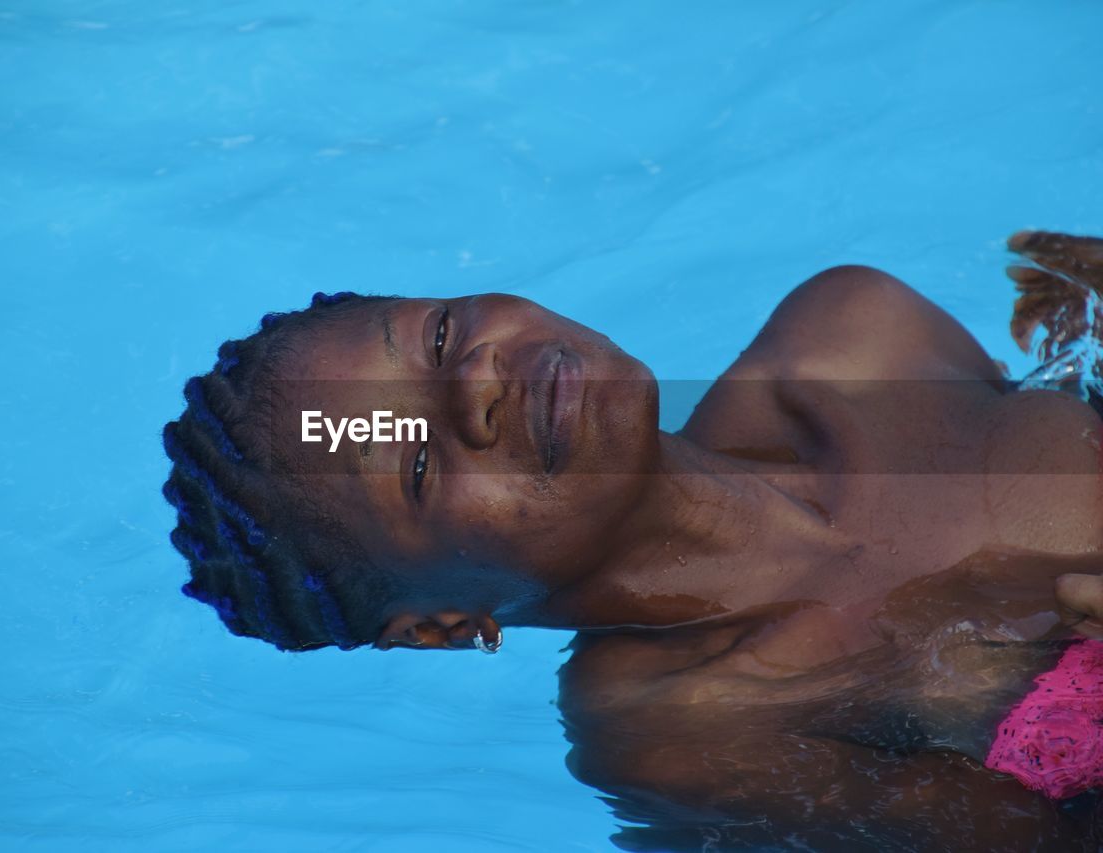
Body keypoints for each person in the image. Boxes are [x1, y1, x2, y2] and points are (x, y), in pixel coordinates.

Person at [161, 231, 1103, 850]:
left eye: (442, 335)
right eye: (416, 469)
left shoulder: (855, 339)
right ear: (442, 621)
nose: (479, 381)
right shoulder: (687, 724)